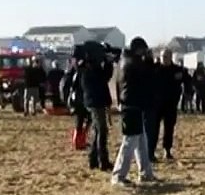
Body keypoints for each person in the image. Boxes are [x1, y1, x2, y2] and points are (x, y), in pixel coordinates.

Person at [111, 39, 158, 186]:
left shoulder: (126, 61)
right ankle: (118, 176)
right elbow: (147, 76)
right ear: (138, 50)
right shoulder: (131, 63)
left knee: (141, 141)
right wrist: (150, 62)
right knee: (130, 141)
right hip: (131, 106)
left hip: (132, 105)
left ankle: (145, 172)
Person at [78, 41, 115, 171]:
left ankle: (93, 159)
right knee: (102, 131)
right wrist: (109, 63)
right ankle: (102, 161)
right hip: (96, 102)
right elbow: (104, 78)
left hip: (93, 101)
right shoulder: (91, 68)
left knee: (98, 130)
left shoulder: (86, 67)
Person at [150, 49, 187, 161]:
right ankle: (151, 151)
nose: (164, 58)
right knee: (153, 129)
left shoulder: (177, 70)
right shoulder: (154, 69)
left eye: (166, 56)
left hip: (171, 104)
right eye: (162, 56)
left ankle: (167, 150)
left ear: (171, 57)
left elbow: (187, 81)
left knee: (169, 128)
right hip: (156, 105)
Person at [61, 57, 90, 150]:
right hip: (81, 100)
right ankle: (79, 141)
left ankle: (78, 141)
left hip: (77, 100)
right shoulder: (80, 73)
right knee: (84, 121)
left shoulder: (72, 73)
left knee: (80, 122)